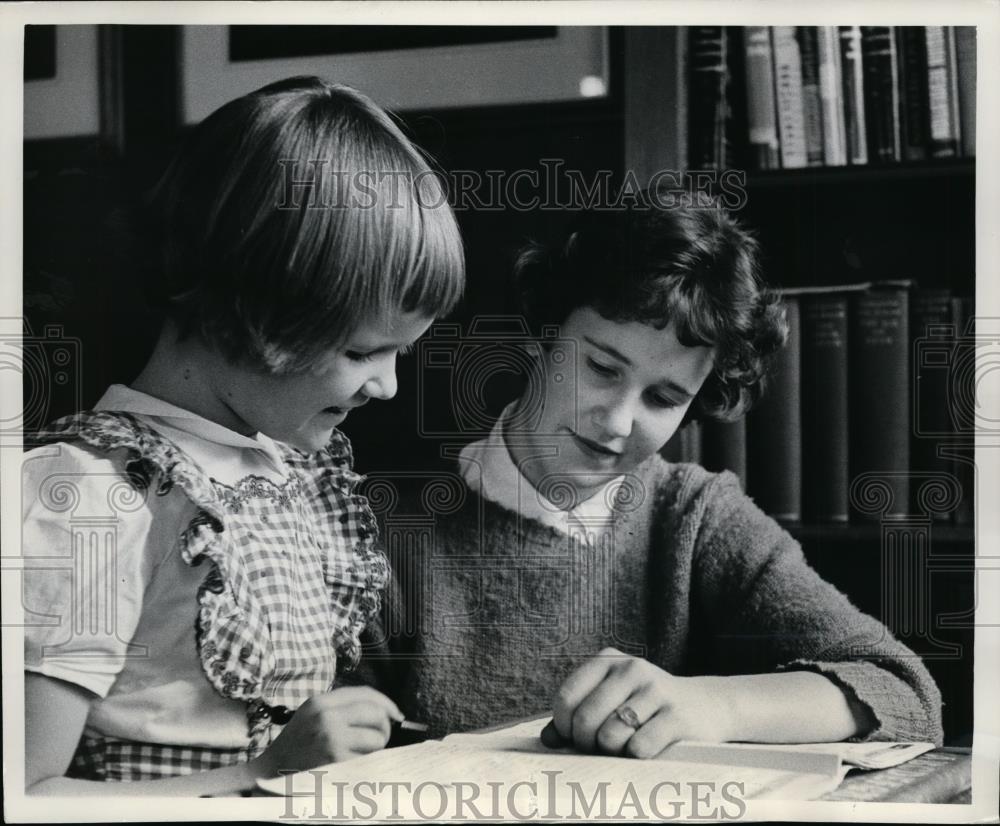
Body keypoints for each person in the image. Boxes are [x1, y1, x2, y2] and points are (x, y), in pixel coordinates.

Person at [376, 194, 943, 757]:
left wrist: (710, 706)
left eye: (664, 397)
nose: (619, 420)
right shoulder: (381, 528)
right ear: (543, 337)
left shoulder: (695, 517)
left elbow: (903, 692)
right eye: (601, 367)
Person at [21, 76, 464, 794]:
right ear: (254, 318)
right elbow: (26, 796)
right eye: (360, 353)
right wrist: (260, 775)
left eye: (399, 354)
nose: (386, 386)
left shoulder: (281, 472)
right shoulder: (91, 497)